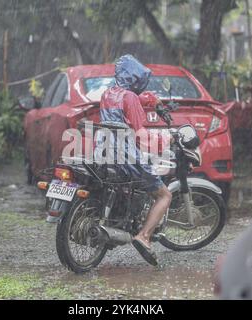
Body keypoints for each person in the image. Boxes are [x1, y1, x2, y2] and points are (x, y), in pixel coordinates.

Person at [97, 54, 172, 266]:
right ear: (136, 78)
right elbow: (140, 134)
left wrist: (153, 101)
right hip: (126, 154)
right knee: (165, 194)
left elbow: (133, 100)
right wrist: (163, 142)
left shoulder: (108, 94)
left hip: (104, 150)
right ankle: (144, 236)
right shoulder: (130, 98)